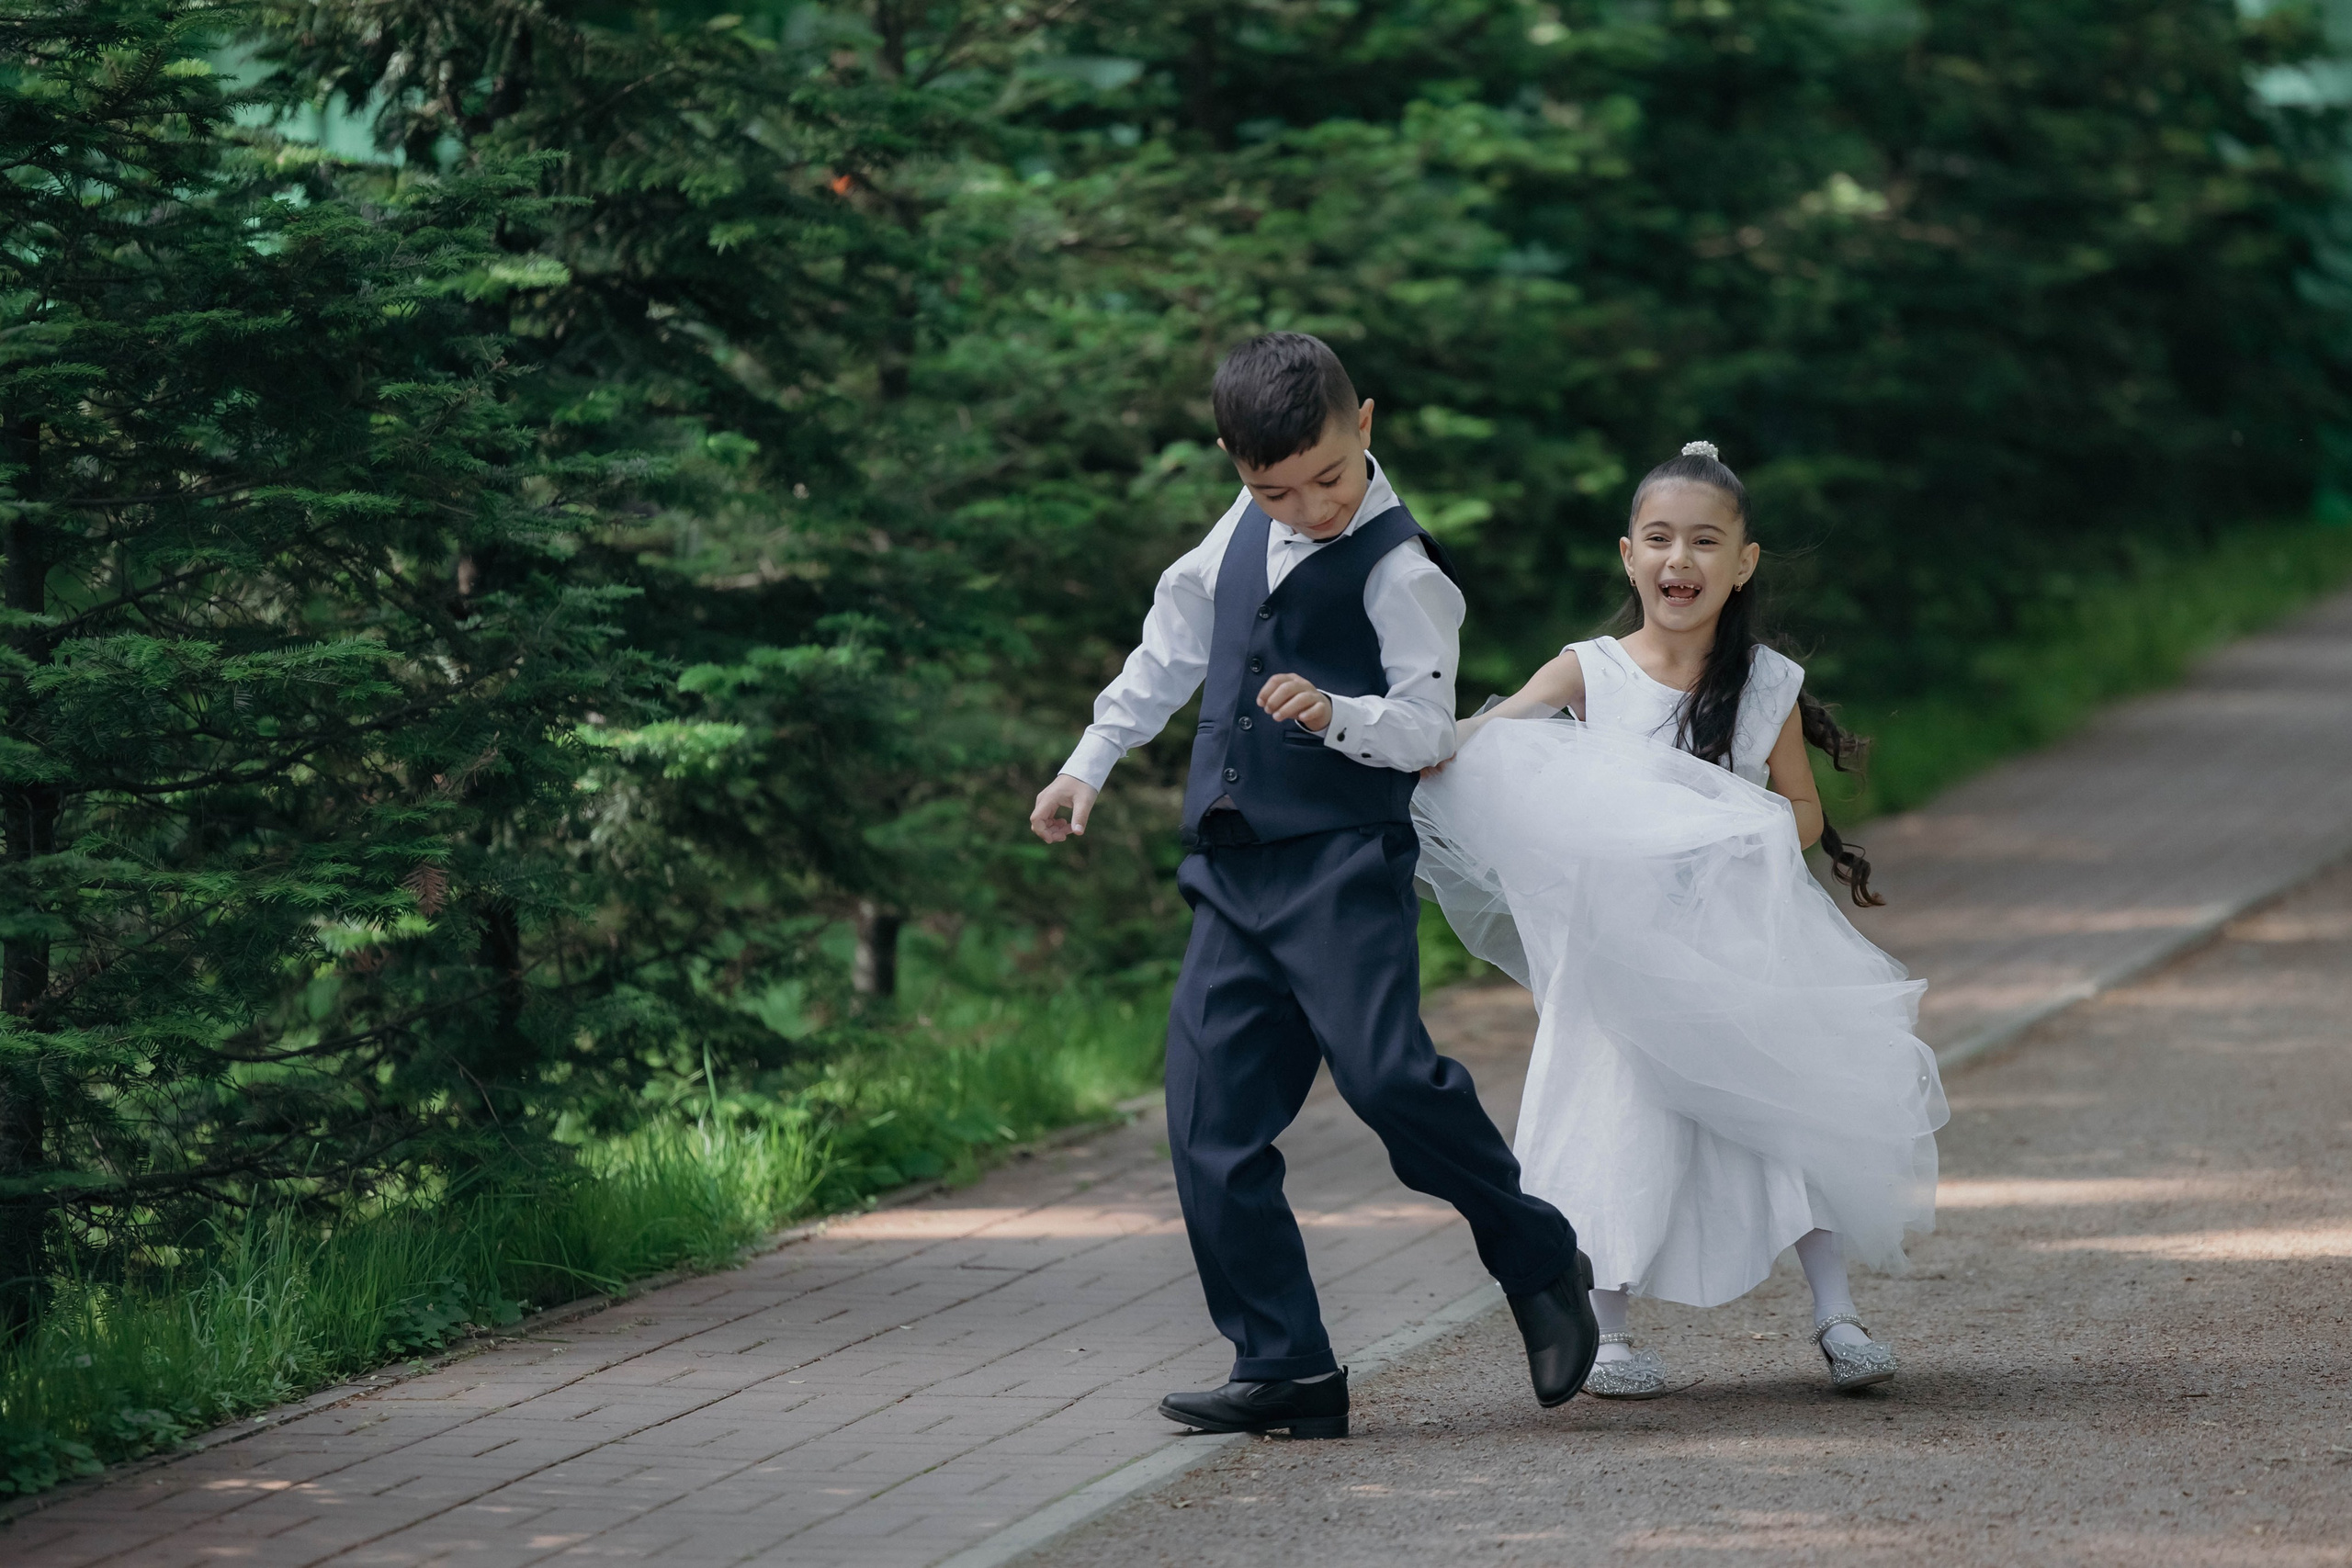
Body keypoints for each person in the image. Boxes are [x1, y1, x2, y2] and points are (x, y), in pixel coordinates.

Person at [1029, 333, 1600, 1438]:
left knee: (1387, 1082)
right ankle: (1284, 1362)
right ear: (1235, 465)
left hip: (1342, 861)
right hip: (1230, 871)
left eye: (1328, 478)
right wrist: (1085, 764)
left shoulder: (1401, 567)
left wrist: (1337, 714)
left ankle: (1536, 1254)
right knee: (1209, 1123)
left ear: (1364, 424)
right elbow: (1168, 650)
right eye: (1273, 491)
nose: (1307, 507)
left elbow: (1428, 729)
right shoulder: (1240, 527)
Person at [1416, 441, 1948, 1397]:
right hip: (1621, 953)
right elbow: (1489, 738)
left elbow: (1802, 810)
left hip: (1741, 938)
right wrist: (1405, 743)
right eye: (1659, 539)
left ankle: (1837, 1313)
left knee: (1786, 1105)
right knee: (1614, 1115)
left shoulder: (1768, 681)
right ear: (1629, 556)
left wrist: (1732, 830)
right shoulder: (1591, 672)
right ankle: (1609, 1333)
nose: (1680, 559)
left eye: (1705, 541)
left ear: (1743, 563)